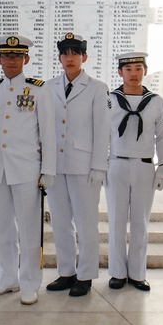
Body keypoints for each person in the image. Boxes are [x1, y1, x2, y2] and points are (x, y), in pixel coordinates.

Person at [0, 35, 55, 306]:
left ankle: (30, 282)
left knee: (30, 230)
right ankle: (7, 278)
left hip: (27, 171)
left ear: (26, 60)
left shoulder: (38, 90)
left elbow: (48, 134)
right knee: (3, 228)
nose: (11, 61)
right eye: (6, 56)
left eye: (17, 56)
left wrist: (48, 170)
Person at [39, 33, 110, 297]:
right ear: (59, 57)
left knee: (86, 223)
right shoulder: (48, 87)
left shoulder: (96, 88)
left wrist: (98, 166)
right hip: (56, 166)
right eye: (65, 53)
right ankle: (66, 272)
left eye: (75, 53)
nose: (70, 58)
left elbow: (103, 130)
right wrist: (45, 166)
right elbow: (44, 128)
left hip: (84, 166)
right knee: (60, 222)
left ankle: (87, 274)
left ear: (84, 57)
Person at [105, 52, 163, 292]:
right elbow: (100, 135)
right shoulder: (109, 100)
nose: (133, 74)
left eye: (138, 68)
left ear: (145, 71)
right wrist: (101, 166)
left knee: (140, 222)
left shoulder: (157, 102)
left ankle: (137, 273)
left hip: (144, 166)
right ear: (120, 72)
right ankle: (117, 272)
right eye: (128, 69)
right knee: (116, 221)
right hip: (117, 164)